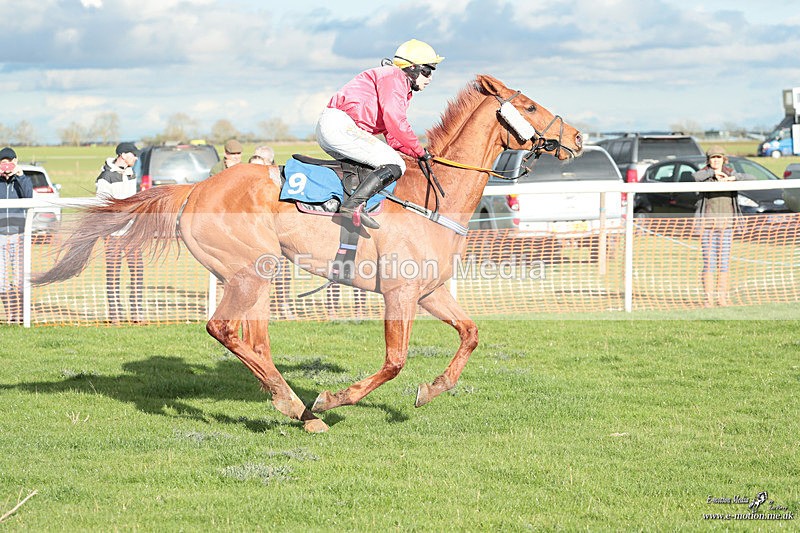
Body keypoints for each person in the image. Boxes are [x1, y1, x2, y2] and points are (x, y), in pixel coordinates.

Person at [315, 38, 443, 229]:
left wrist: (416, 155)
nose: (430, 78)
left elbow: (392, 137)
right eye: (427, 71)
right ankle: (352, 206)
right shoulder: (394, 77)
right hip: (339, 126)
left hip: (336, 128)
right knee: (395, 163)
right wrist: (419, 151)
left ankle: (353, 205)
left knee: (384, 161)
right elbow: (396, 122)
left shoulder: (397, 85)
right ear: (413, 68)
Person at [692, 145, 754, 307]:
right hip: (707, 225)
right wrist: (713, 174)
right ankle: (709, 299)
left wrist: (733, 178)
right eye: (713, 157)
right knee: (709, 262)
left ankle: (722, 297)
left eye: (719, 157)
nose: (716, 160)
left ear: (724, 159)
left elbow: (752, 178)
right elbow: (695, 177)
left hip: (726, 225)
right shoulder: (704, 175)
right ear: (708, 160)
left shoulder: (730, 173)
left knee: (724, 262)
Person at [96, 142, 144, 323]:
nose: (136, 158)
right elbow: (102, 205)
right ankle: (115, 313)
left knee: (137, 272)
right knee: (113, 274)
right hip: (113, 234)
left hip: (132, 232)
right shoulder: (105, 177)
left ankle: (137, 312)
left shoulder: (132, 174)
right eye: (133, 155)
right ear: (123, 155)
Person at [0, 147, 33, 324]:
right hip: (0, 236)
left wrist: (19, 176)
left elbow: (29, 197)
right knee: (2, 281)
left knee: (20, 279)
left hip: (19, 235)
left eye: (10, 161)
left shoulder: (23, 179)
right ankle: (10, 315)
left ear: (16, 161)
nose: (7, 165)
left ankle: (21, 315)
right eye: (3, 162)